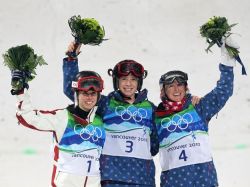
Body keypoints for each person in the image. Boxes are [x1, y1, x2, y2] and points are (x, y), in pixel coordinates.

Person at [63, 42, 159, 186]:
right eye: (124, 79)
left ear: (139, 82)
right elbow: (74, 91)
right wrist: (71, 59)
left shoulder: (150, 108)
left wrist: (191, 100)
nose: (128, 84)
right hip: (111, 177)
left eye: (133, 79)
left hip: (142, 179)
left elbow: (155, 144)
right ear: (116, 81)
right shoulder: (106, 103)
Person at [154, 36, 239, 187]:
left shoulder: (198, 107)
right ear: (163, 91)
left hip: (204, 181)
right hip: (173, 183)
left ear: (186, 88)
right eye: (170, 86)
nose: (176, 89)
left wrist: (227, 63)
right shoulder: (155, 117)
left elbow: (223, 92)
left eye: (180, 85)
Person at [13, 68, 105, 187]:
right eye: (84, 93)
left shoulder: (101, 122)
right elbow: (27, 117)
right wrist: (20, 91)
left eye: (93, 94)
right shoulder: (62, 117)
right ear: (76, 93)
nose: (89, 98)